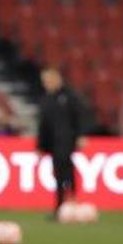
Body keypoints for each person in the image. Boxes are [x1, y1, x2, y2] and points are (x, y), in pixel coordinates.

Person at [36, 68, 86, 216]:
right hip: (53, 142)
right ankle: (60, 206)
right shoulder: (46, 100)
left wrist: (81, 135)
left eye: (48, 80)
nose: (46, 84)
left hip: (67, 140)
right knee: (58, 173)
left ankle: (71, 200)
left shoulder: (69, 96)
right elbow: (43, 125)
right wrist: (41, 145)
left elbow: (80, 116)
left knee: (66, 168)